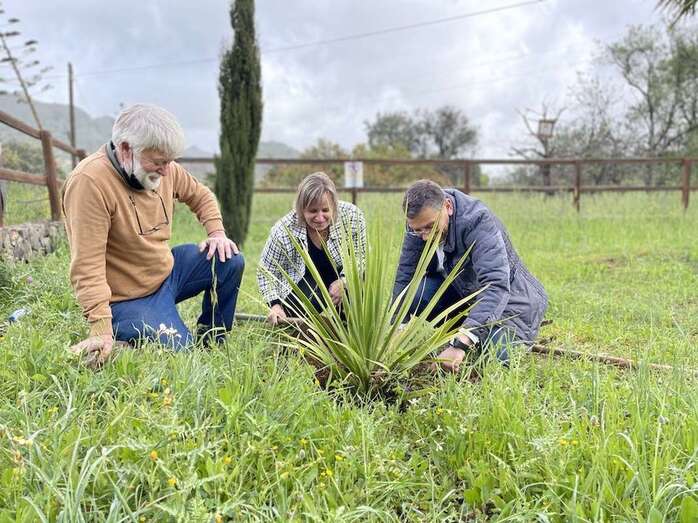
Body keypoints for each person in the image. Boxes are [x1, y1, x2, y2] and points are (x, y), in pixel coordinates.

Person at [63, 104, 244, 367]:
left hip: (167, 274)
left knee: (230, 260)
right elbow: (86, 265)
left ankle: (212, 339)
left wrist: (216, 233)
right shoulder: (90, 183)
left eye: (169, 162)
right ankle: (124, 342)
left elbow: (201, 195)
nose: (167, 171)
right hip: (127, 299)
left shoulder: (165, 170)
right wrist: (101, 328)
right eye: (159, 162)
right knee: (182, 355)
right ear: (126, 149)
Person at [394, 179, 547, 372]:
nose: (425, 236)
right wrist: (397, 327)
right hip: (463, 291)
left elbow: (496, 285)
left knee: (496, 357)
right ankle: (466, 333)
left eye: (430, 227)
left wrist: (459, 345)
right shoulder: (419, 222)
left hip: (512, 303)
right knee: (415, 294)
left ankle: (472, 337)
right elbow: (405, 274)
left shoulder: (477, 221)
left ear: (448, 207)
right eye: (418, 230)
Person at [257, 172, 366, 325]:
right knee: (290, 325)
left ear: (334, 206)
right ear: (301, 209)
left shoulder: (352, 217)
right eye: (313, 211)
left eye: (325, 210)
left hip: (343, 277)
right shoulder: (283, 230)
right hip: (306, 281)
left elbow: (361, 256)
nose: (320, 218)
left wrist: (344, 281)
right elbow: (266, 271)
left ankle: (347, 332)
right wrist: (275, 305)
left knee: (357, 289)